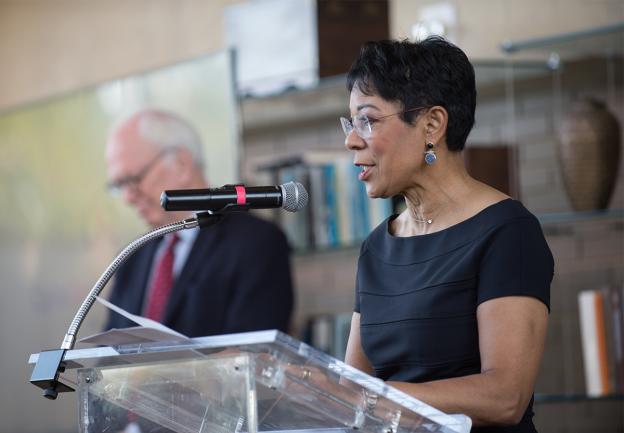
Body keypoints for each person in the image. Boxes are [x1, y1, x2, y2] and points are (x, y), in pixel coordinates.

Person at [342, 38, 553, 432]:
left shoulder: (508, 233)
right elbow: (350, 392)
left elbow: (505, 397)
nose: (351, 139)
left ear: (432, 125)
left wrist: (377, 398)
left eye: (367, 120)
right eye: (351, 122)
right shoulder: (376, 247)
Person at [104, 108, 294, 337]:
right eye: (119, 186)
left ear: (182, 164)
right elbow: (107, 354)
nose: (127, 197)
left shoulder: (255, 243)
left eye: (133, 179)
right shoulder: (132, 256)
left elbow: (254, 352)